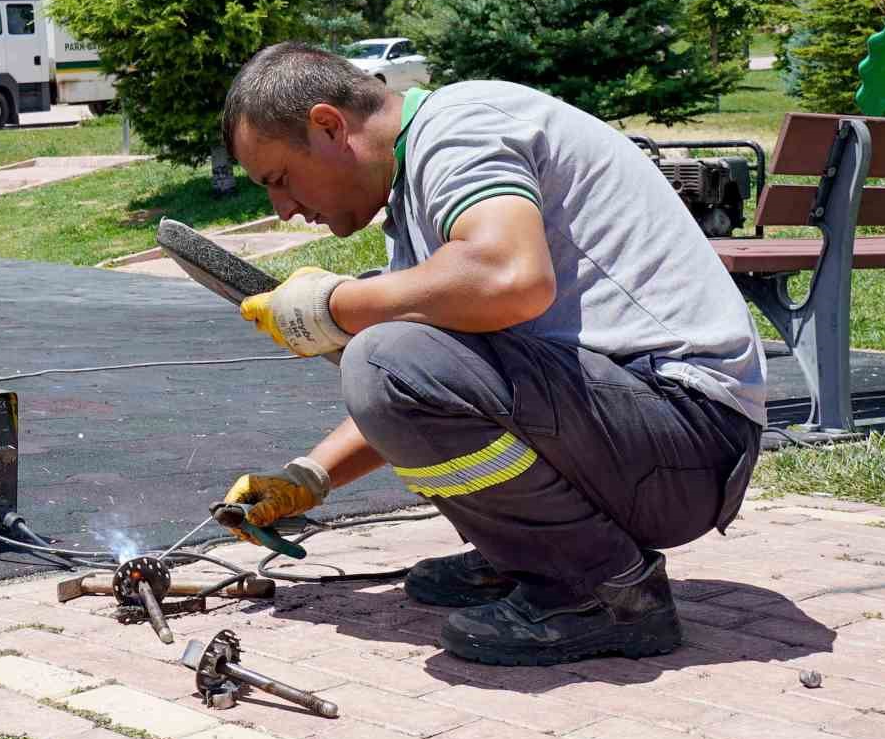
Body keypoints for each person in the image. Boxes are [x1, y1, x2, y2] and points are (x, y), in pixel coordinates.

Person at [215, 42, 765, 666]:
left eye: (280, 179)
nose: (283, 208)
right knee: (391, 353)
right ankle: (532, 557)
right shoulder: (421, 185)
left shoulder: (461, 128)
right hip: (657, 438)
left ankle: (597, 591)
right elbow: (438, 377)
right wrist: (306, 480)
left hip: (687, 432)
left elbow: (511, 278)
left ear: (328, 125)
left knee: (382, 354)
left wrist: (335, 305)